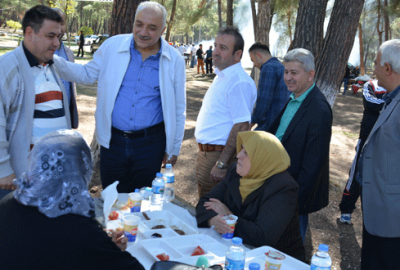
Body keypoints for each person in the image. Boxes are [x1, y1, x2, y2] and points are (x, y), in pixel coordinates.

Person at [53, 2, 186, 193]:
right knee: (112, 198)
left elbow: (179, 109)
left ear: (163, 30)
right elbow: (86, 74)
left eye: (152, 27)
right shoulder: (112, 46)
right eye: (139, 24)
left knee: (142, 204)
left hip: (150, 145)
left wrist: (174, 148)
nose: (143, 32)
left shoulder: (174, 60)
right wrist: (51, 58)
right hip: (113, 143)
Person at [0, 130, 145, 269]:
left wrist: (104, 243)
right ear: (83, 169)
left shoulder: (8, 202)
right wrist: (105, 246)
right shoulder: (81, 229)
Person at [196, 131, 305, 261]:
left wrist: (229, 216)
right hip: (237, 252)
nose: (238, 155)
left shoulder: (283, 188)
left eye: (246, 152)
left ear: (262, 158)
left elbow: (263, 237)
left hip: (276, 261)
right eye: (241, 149)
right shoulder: (236, 172)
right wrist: (212, 220)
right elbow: (204, 202)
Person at [0, 5, 73, 200]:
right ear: (29, 33)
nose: (57, 43)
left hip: (52, 175)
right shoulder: (7, 67)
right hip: (17, 178)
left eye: (59, 37)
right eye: (51, 36)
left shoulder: (53, 65)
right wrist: (3, 169)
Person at [266, 48, 332, 242]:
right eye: (286, 72)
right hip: (277, 187)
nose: (288, 78)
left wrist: (292, 200)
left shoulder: (319, 110)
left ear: (310, 75)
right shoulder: (294, 98)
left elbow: (312, 166)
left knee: (290, 249)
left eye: (294, 73)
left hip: (293, 195)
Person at [195, 26, 257, 198]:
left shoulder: (237, 81)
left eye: (222, 48)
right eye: (215, 46)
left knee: (213, 212)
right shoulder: (223, 76)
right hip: (207, 154)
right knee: (206, 208)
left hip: (218, 156)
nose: (215, 52)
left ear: (237, 55)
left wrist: (221, 164)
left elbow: (242, 125)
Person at [357, 39, 400, 269]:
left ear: (387, 69)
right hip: (379, 211)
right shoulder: (391, 98)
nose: (373, 69)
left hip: (393, 217)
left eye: (375, 63)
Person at [339, 80, 386, 224]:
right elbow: (370, 104)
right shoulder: (371, 85)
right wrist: (390, 105)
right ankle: (346, 209)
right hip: (366, 138)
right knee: (356, 174)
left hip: (387, 141)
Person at [248, 42, 290, 131]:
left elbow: (263, 100)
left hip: (270, 124)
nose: (254, 65)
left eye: (253, 60)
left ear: (258, 55)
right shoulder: (281, 67)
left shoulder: (268, 68)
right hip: (283, 122)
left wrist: (253, 122)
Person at [53, 8, 79, 129]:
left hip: (66, 119)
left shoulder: (69, 54)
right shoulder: (37, 54)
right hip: (45, 120)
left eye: (62, 23)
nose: (59, 28)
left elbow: (71, 86)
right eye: (54, 23)